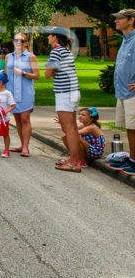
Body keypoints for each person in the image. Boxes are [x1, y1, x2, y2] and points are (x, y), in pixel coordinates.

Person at [45, 26, 82, 172]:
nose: (48, 37)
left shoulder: (56, 51)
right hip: (72, 91)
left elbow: (48, 74)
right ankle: (75, 158)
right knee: (72, 128)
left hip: (65, 92)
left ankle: (74, 163)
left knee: (69, 129)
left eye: (50, 35)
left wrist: (49, 66)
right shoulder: (65, 51)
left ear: (55, 37)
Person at [5, 32, 39, 157]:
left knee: (25, 118)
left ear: (25, 43)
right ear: (13, 42)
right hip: (12, 91)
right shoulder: (9, 57)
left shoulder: (31, 57)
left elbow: (37, 76)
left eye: (22, 40)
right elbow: (6, 73)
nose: (19, 42)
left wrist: (22, 73)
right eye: (16, 40)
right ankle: (21, 144)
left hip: (25, 91)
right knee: (17, 120)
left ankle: (25, 147)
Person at [112, 8, 135, 157]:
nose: (116, 21)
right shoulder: (125, 40)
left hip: (132, 93)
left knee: (134, 128)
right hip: (123, 91)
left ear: (131, 20)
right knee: (129, 127)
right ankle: (133, 159)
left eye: (120, 18)